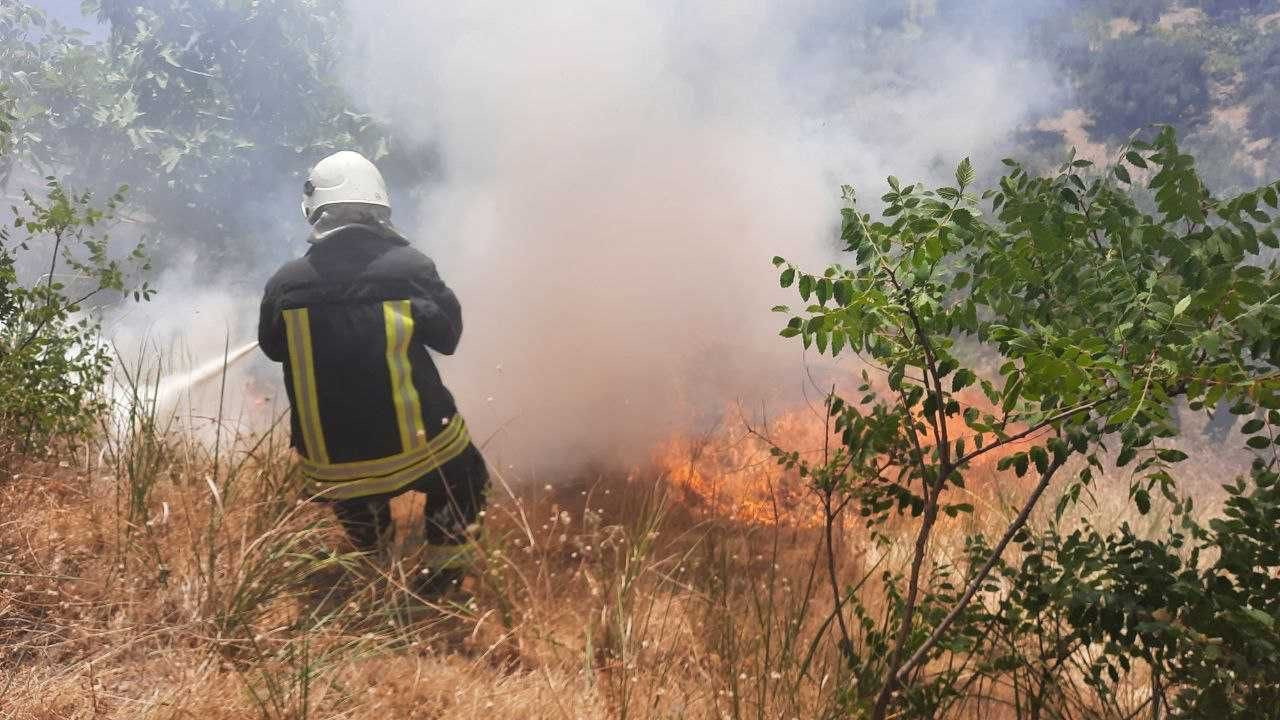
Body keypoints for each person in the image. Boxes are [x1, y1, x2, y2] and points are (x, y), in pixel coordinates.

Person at [258, 150, 488, 594]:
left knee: (357, 491)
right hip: (417, 450)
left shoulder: (284, 284)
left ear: (315, 210)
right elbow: (449, 337)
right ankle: (441, 580)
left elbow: (271, 348)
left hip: (331, 467)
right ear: (380, 207)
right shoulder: (410, 268)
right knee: (467, 476)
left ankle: (377, 559)